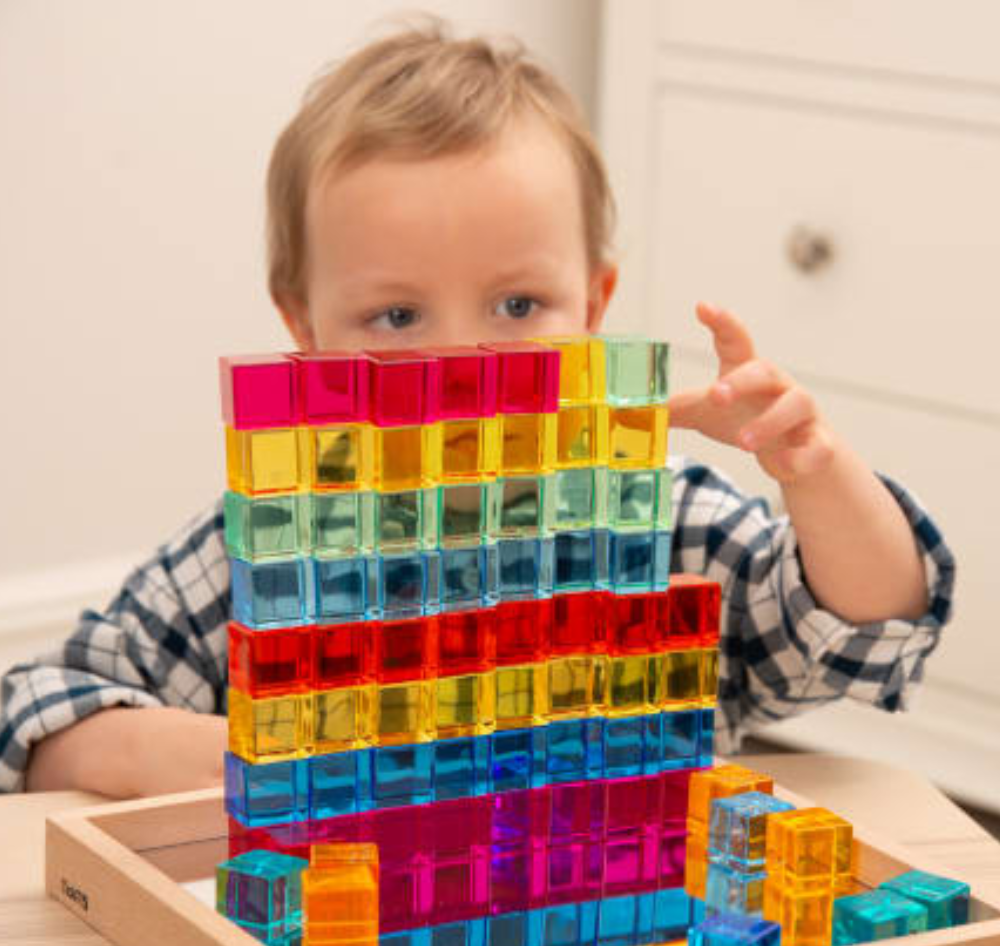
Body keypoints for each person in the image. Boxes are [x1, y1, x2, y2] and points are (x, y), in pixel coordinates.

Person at [0, 22, 954, 796]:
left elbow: (863, 631)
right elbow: (36, 711)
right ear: (306, 330)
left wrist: (818, 475)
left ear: (594, 305)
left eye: (515, 306)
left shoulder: (663, 521)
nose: (462, 364)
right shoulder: (263, 548)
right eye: (399, 315)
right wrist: (208, 753)